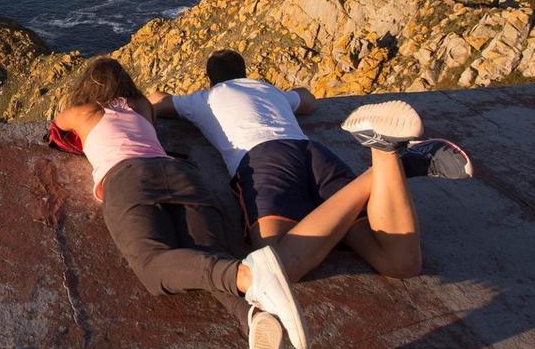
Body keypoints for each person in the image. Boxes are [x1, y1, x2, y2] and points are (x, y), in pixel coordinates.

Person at [53, 56, 309, 349]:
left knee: (153, 265)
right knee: (207, 256)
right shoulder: (142, 106)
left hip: (128, 178)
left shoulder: (84, 111)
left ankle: (248, 274)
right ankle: (256, 319)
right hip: (179, 172)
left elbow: (57, 125)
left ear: (88, 85)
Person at [148, 49, 472, 284]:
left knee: (274, 266)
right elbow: (310, 101)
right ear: (245, 72)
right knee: (399, 264)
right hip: (312, 153)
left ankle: (389, 166)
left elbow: (157, 102)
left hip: (264, 160)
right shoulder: (268, 90)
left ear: (211, 78)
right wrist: (283, 93)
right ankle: (388, 159)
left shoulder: (204, 98)